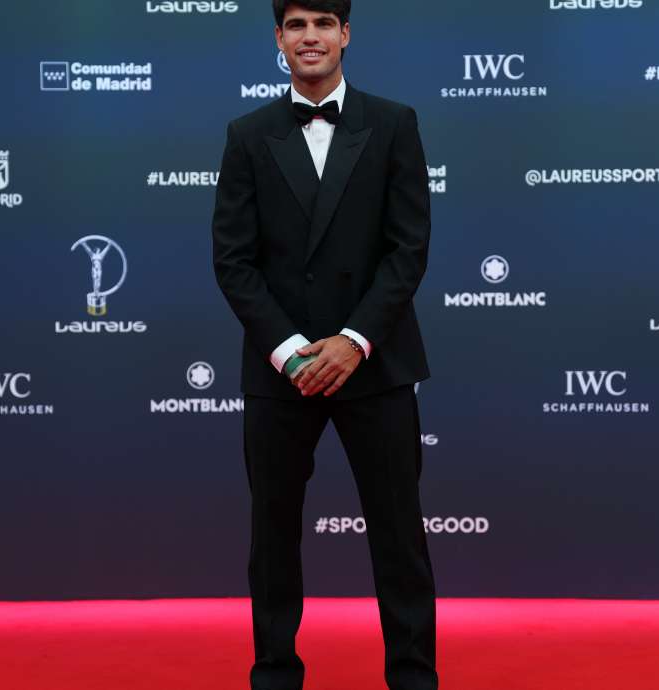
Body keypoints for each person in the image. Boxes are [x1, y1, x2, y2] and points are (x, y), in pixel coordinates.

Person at [211, 2, 437, 688]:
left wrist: (353, 341)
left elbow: (408, 250)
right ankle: (276, 674)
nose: (310, 37)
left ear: (346, 34)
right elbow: (233, 261)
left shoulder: (394, 123)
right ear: (278, 39)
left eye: (323, 23)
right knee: (272, 539)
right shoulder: (247, 134)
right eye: (296, 25)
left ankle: (413, 678)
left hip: (376, 361)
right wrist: (291, 351)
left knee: (399, 538)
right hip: (283, 371)